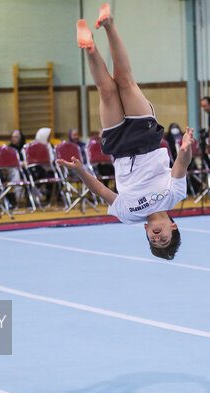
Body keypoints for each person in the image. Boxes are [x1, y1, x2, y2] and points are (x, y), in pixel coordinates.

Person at [58, 4, 193, 260]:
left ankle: (89, 47)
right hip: (145, 139)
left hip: (119, 147)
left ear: (145, 231)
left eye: (153, 239)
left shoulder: (128, 215)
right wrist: (185, 149)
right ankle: (108, 24)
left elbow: (101, 190)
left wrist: (80, 171)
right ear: (172, 226)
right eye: (163, 238)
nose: (157, 236)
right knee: (125, 81)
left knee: (106, 90)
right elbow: (180, 166)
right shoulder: (174, 196)